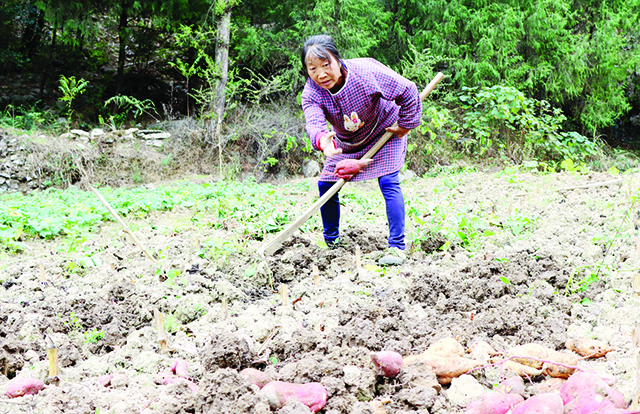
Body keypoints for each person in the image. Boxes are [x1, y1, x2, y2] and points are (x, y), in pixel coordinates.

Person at [300, 34, 422, 265]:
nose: (321, 74)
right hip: (348, 143)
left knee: (388, 181)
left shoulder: (365, 72)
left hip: (385, 132)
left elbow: (408, 90)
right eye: (312, 68)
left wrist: (405, 125)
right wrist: (323, 141)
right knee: (326, 184)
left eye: (326, 65)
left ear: (337, 60)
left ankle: (397, 247)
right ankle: (332, 243)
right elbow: (313, 122)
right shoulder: (312, 92)